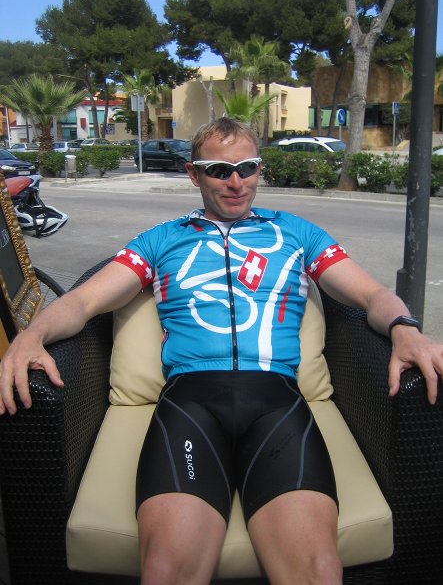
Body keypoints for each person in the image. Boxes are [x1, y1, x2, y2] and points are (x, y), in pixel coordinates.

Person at [0, 117, 442, 585]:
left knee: (316, 572)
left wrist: (405, 329)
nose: (237, 182)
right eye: (219, 170)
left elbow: (371, 294)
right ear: (194, 174)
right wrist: (32, 335)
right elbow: (84, 301)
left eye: (248, 167)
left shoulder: (296, 233)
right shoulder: (162, 238)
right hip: (190, 402)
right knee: (167, 572)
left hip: (276, 402)